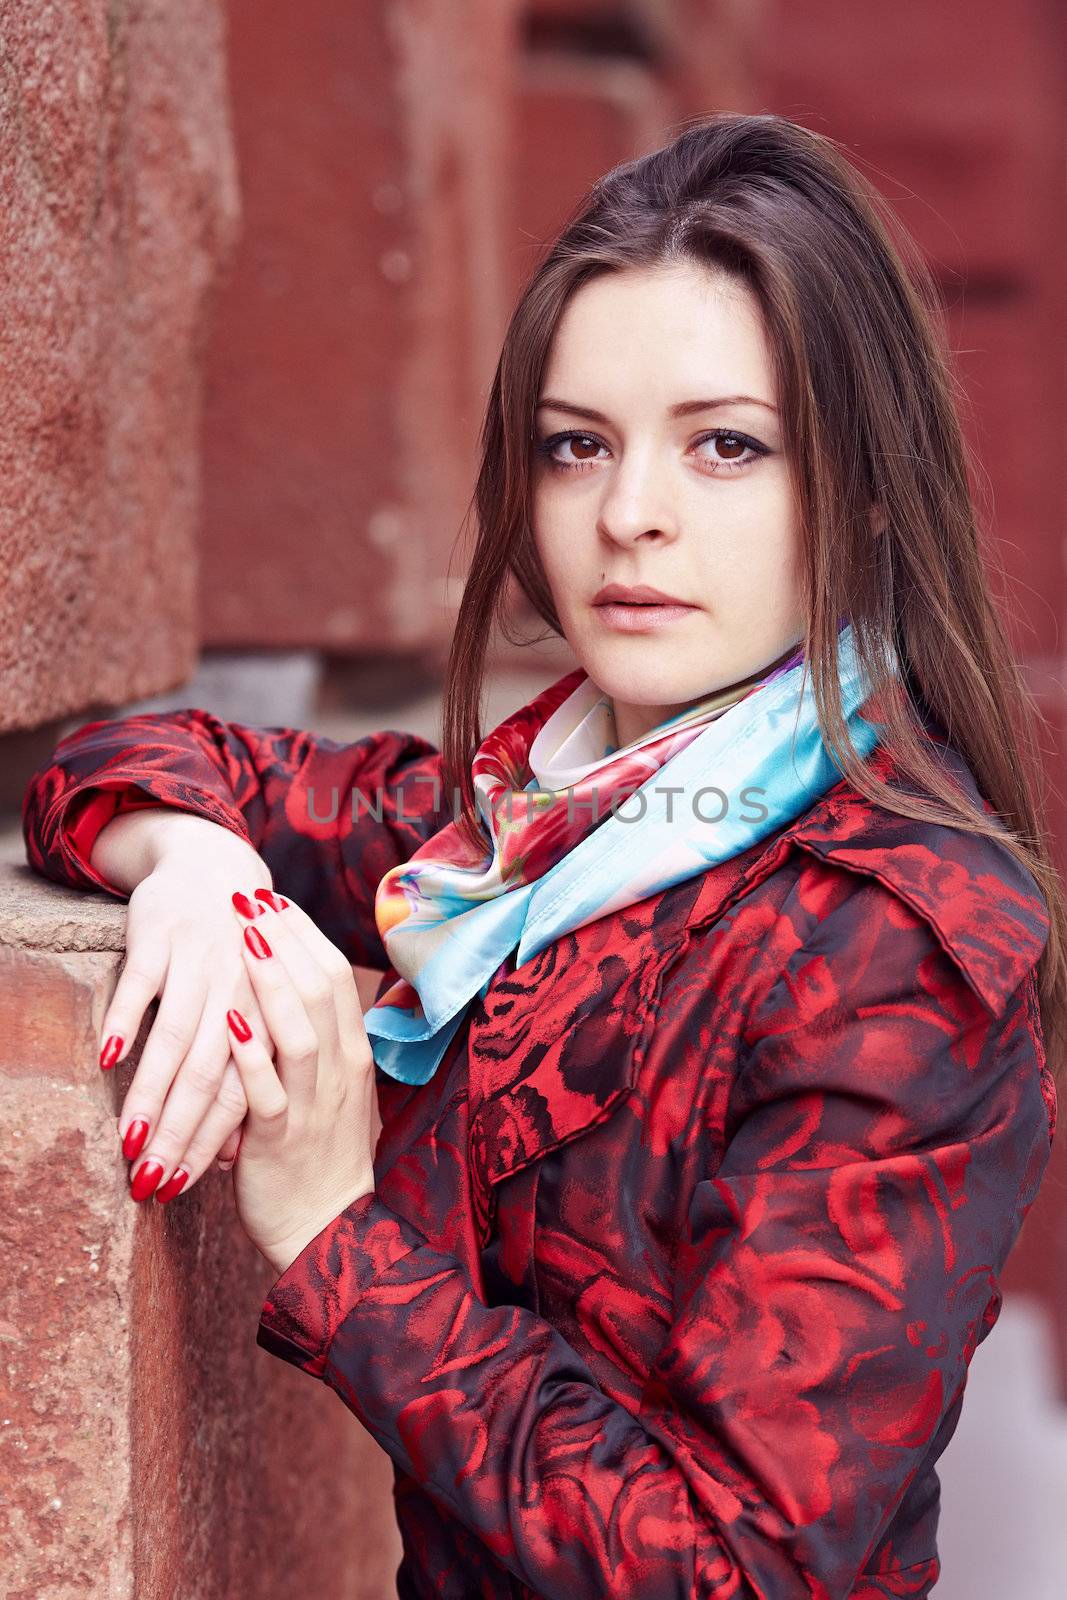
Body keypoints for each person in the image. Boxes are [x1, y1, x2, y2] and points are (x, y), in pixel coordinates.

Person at [21, 112, 1064, 1599]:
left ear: (868, 483)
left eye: (724, 445)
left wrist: (334, 1232)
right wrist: (196, 870)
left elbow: (743, 1566)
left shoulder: (890, 952)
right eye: (578, 446)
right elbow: (125, 761)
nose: (628, 517)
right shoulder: (529, 830)